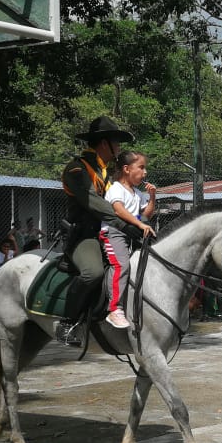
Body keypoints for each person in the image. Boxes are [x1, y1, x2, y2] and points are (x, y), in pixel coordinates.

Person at [60, 116, 135, 340]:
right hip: (84, 236)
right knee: (93, 273)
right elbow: (94, 203)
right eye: (116, 143)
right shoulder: (76, 169)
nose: (119, 148)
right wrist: (124, 224)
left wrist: (138, 223)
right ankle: (67, 322)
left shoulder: (105, 173)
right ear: (104, 143)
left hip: (107, 232)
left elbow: (118, 204)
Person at [100, 150, 157, 329]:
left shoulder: (137, 193)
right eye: (141, 167)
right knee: (121, 265)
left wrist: (152, 197)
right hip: (113, 234)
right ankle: (114, 309)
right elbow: (118, 210)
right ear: (126, 169)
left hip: (130, 235)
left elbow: (146, 215)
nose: (145, 172)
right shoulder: (116, 188)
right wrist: (140, 225)